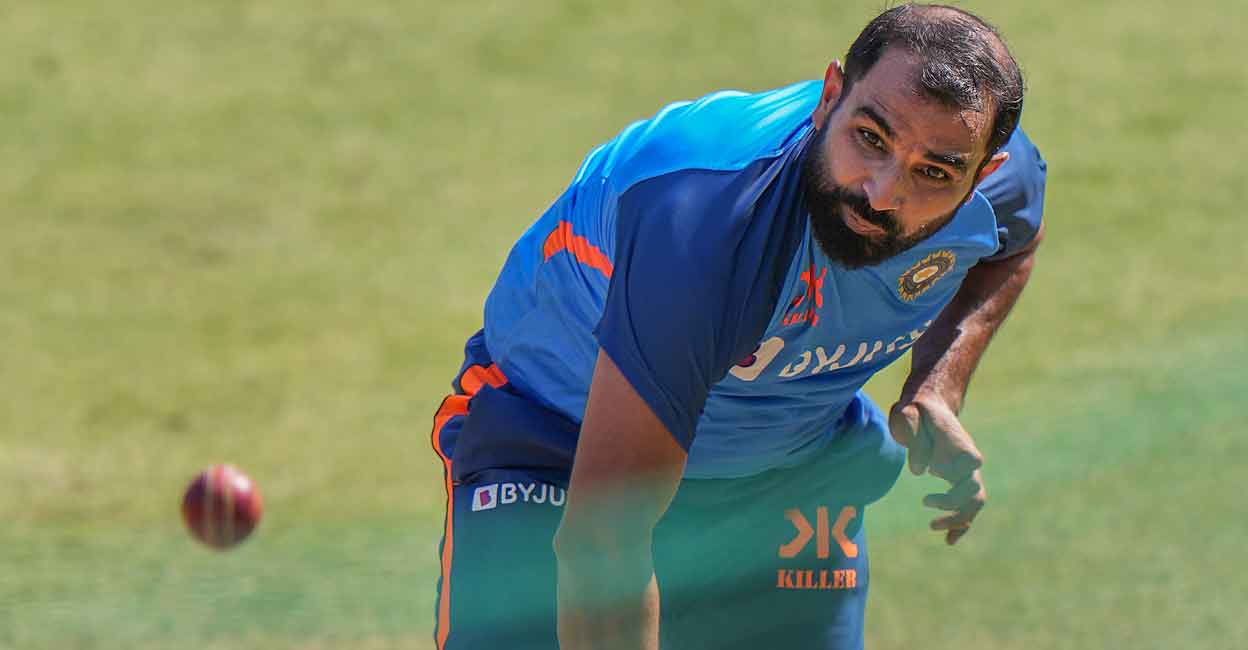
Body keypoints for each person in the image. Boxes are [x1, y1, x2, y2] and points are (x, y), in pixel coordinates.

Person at [429, 4, 1047, 649]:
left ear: (985, 173)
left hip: (790, 475)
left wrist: (938, 382)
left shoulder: (1001, 186)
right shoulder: (706, 224)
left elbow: (1013, 246)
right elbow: (604, 540)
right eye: (870, 138)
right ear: (829, 96)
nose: (883, 193)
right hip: (557, 449)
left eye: (934, 174)